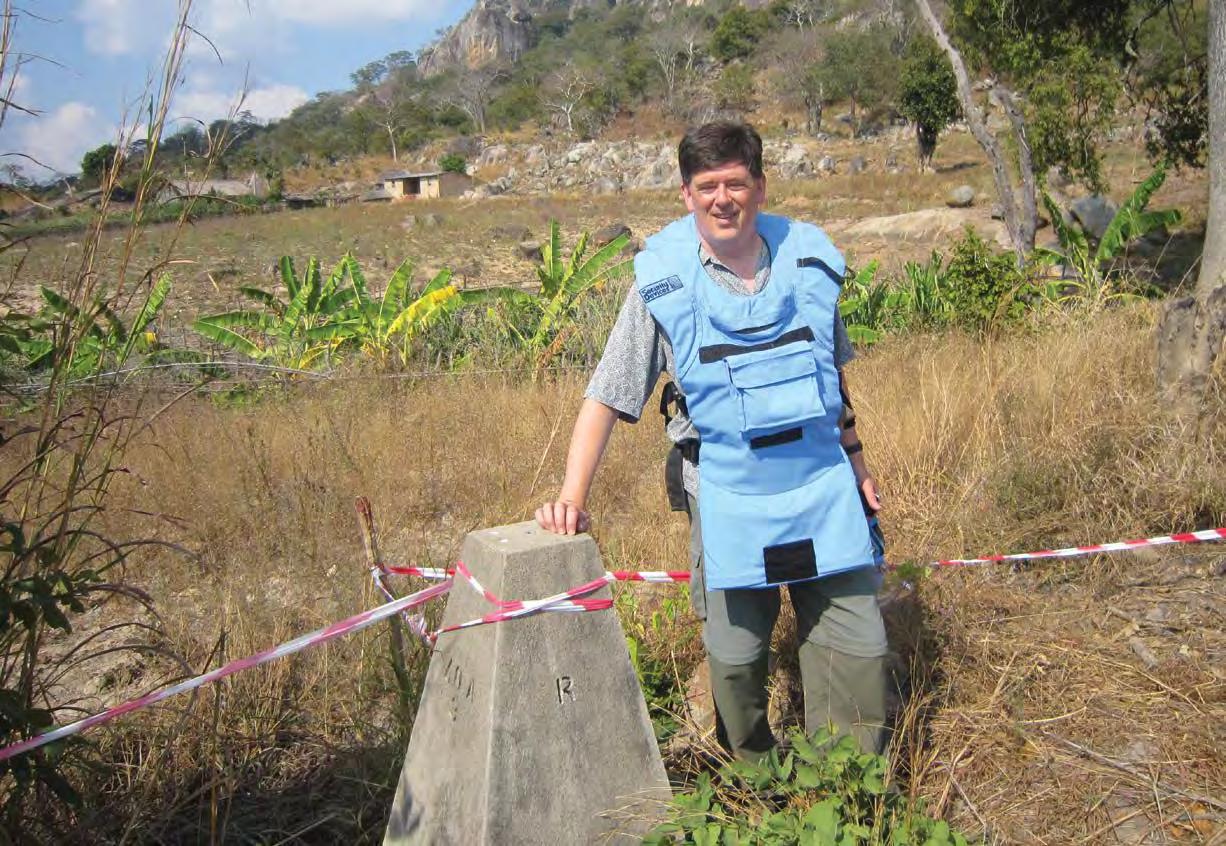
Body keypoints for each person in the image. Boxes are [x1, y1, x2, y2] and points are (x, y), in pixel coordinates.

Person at [535, 121, 889, 760]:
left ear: (760, 186)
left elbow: (827, 377)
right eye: (707, 187)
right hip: (726, 494)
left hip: (822, 487)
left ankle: (846, 784)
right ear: (686, 194)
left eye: (735, 183)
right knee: (736, 660)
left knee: (856, 646)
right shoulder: (662, 283)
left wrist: (858, 461)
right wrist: (571, 496)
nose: (722, 199)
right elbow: (607, 396)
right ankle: (756, 782)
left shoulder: (809, 263)